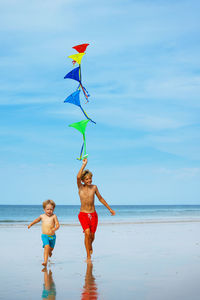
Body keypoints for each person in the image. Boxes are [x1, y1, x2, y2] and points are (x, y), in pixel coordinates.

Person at [77, 158, 115, 261]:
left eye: (90, 178)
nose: (89, 180)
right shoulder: (80, 187)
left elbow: (100, 198)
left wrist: (110, 209)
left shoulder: (94, 187)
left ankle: (90, 245)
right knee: (87, 233)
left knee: (92, 236)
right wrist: (84, 164)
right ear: (83, 180)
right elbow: (77, 176)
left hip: (93, 214)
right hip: (83, 214)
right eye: (87, 179)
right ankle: (88, 256)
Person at [28, 199, 60, 266]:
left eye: (51, 209)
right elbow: (37, 220)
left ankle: (50, 251)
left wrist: (55, 228)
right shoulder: (42, 216)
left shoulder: (54, 216)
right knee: (46, 247)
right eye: (47, 209)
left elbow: (57, 224)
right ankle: (45, 261)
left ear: (53, 209)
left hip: (52, 236)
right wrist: (31, 224)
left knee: (50, 248)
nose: (49, 211)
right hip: (44, 235)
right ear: (44, 209)